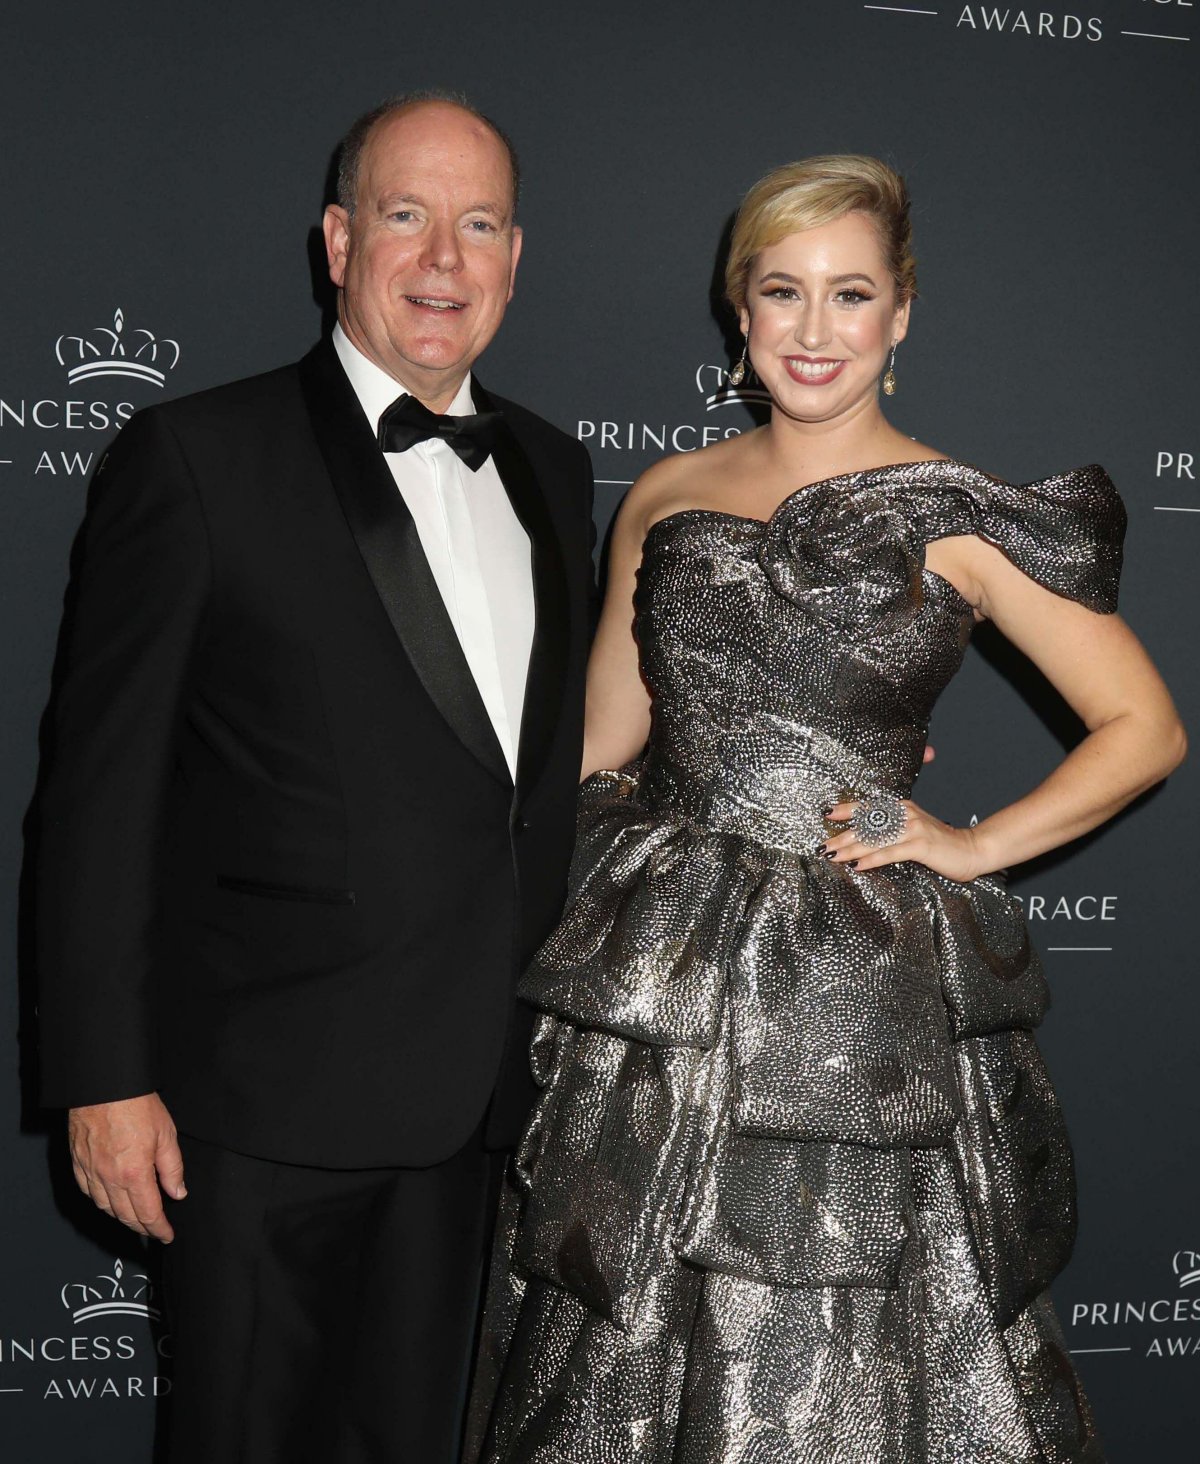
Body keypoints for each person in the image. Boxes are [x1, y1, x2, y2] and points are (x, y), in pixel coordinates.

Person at [466, 155, 1186, 1462]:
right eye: (782, 292)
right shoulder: (667, 497)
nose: (813, 329)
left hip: (852, 995)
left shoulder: (957, 515)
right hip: (670, 978)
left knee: (842, 1330)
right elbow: (599, 743)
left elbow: (1144, 726)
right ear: (740, 311)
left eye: (848, 295)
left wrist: (969, 845)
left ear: (899, 314)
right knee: (627, 1315)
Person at [35, 93, 595, 1463]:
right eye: (407, 216)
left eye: (477, 226)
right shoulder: (196, 460)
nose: (443, 261)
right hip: (258, 1111)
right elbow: (98, 798)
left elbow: (551, 758)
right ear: (339, 238)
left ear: (516, 258)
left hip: (477, 1106)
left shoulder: (553, 468)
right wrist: (102, 1079)